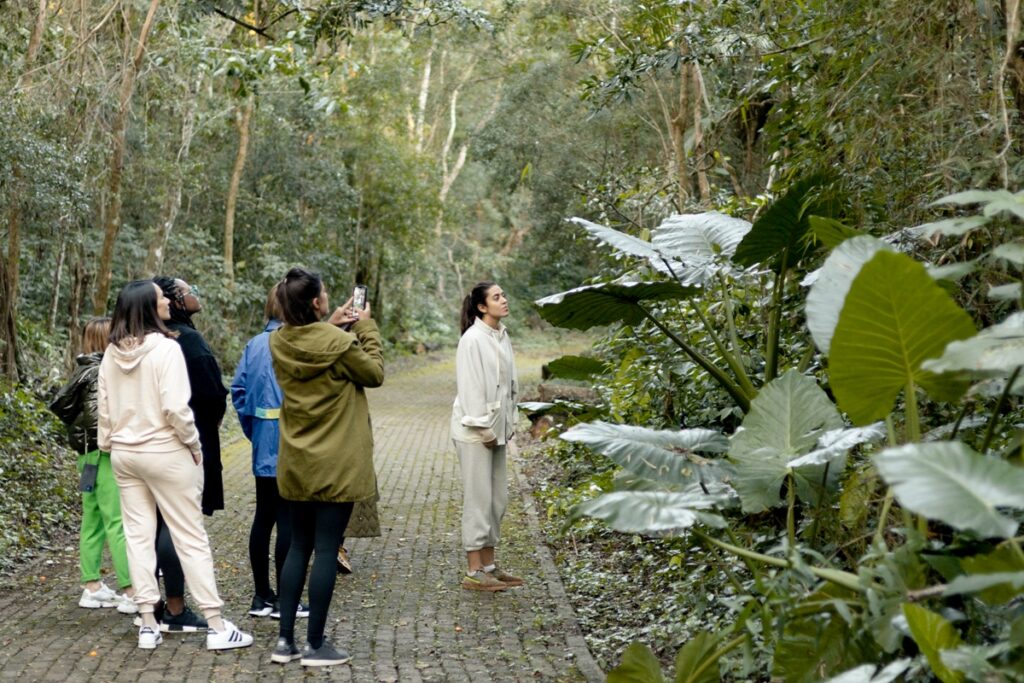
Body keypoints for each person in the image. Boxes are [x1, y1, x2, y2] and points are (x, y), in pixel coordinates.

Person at [97, 280, 253, 651]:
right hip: (166, 451)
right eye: (161, 297)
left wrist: (108, 443)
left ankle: (148, 623)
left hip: (124, 454)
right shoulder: (166, 349)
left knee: (138, 538)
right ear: (149, 308)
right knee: (190, 536)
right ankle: (216, 624)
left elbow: (104, 408)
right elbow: (176, 409)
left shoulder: (111, 353)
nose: (167, 300)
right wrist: (193, 444)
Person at [268, 267, 383, 667]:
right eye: (326, 295)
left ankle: (285, 642)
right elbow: (374, 373)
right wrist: (366, 329)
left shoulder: (279, 342)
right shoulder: (339, 342)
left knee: (297, 545)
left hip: (296, 463)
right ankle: (315, 645)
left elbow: (310, 342)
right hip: (336, 464)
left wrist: (330, 325)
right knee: (326, 548)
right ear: (316, 302)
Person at [230, 284, 309, 619]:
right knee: (288, 520)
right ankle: (284, 600)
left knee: (264, 517)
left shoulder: (254, 344)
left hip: (265, 440)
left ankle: (262, 595)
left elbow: (239, 392)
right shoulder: (299, 343)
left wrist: (256, 432)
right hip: (295, 442)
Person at [50, 317, 136, 614]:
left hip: (87, 456)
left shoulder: (82, 370)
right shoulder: (101, 371)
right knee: (117, 521)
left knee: (94, 519)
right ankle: (131, 589)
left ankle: (92, 586)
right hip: (103, 454)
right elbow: (100, 419)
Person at [451, 281, 522, 592]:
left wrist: (510, 420)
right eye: (497, 297)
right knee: (478, 499)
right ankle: (473, 571)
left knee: (496, 500)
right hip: (474, 433)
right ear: (482, 307)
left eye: (503, 295)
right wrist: (483, 427)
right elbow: (470, 389)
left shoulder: (501, 336)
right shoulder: (472, 340)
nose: (504, 300)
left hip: (498, 430)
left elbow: (511, 384)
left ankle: (490, 566)